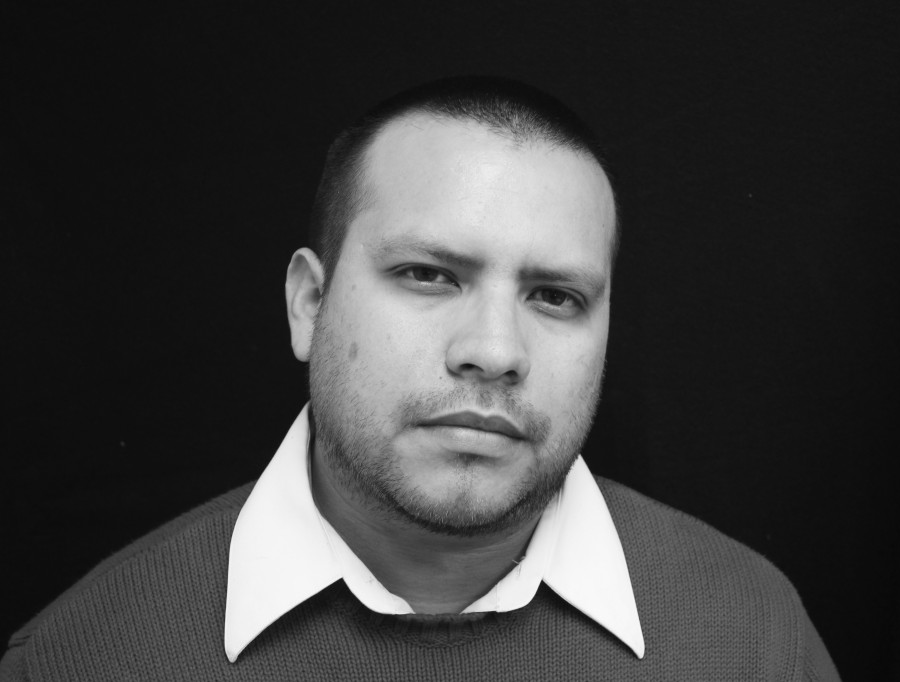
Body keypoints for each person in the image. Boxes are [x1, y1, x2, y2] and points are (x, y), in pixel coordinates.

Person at [0, 77, 841, 681]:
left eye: (555, 296)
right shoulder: (83, 658)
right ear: (309, 304)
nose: (494, 350)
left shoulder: (754, 638)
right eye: (429, 275)